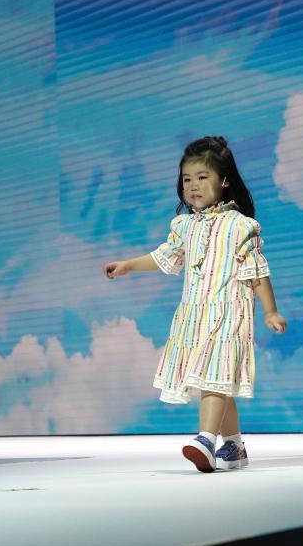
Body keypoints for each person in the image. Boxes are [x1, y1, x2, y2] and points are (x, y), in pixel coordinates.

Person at [103, 136, 287, 472]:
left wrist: (270, 310)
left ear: (224, 180)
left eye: (203, 177)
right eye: (187, 179)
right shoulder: (185, 226)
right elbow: (166, 256)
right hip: (195, 315)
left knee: (212, 377)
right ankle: (234, 447)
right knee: (216, 381)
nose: (193, 185)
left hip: (229, 312)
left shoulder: (240, 226)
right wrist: (129, 265)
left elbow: (257, 272)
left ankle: (206, 440)